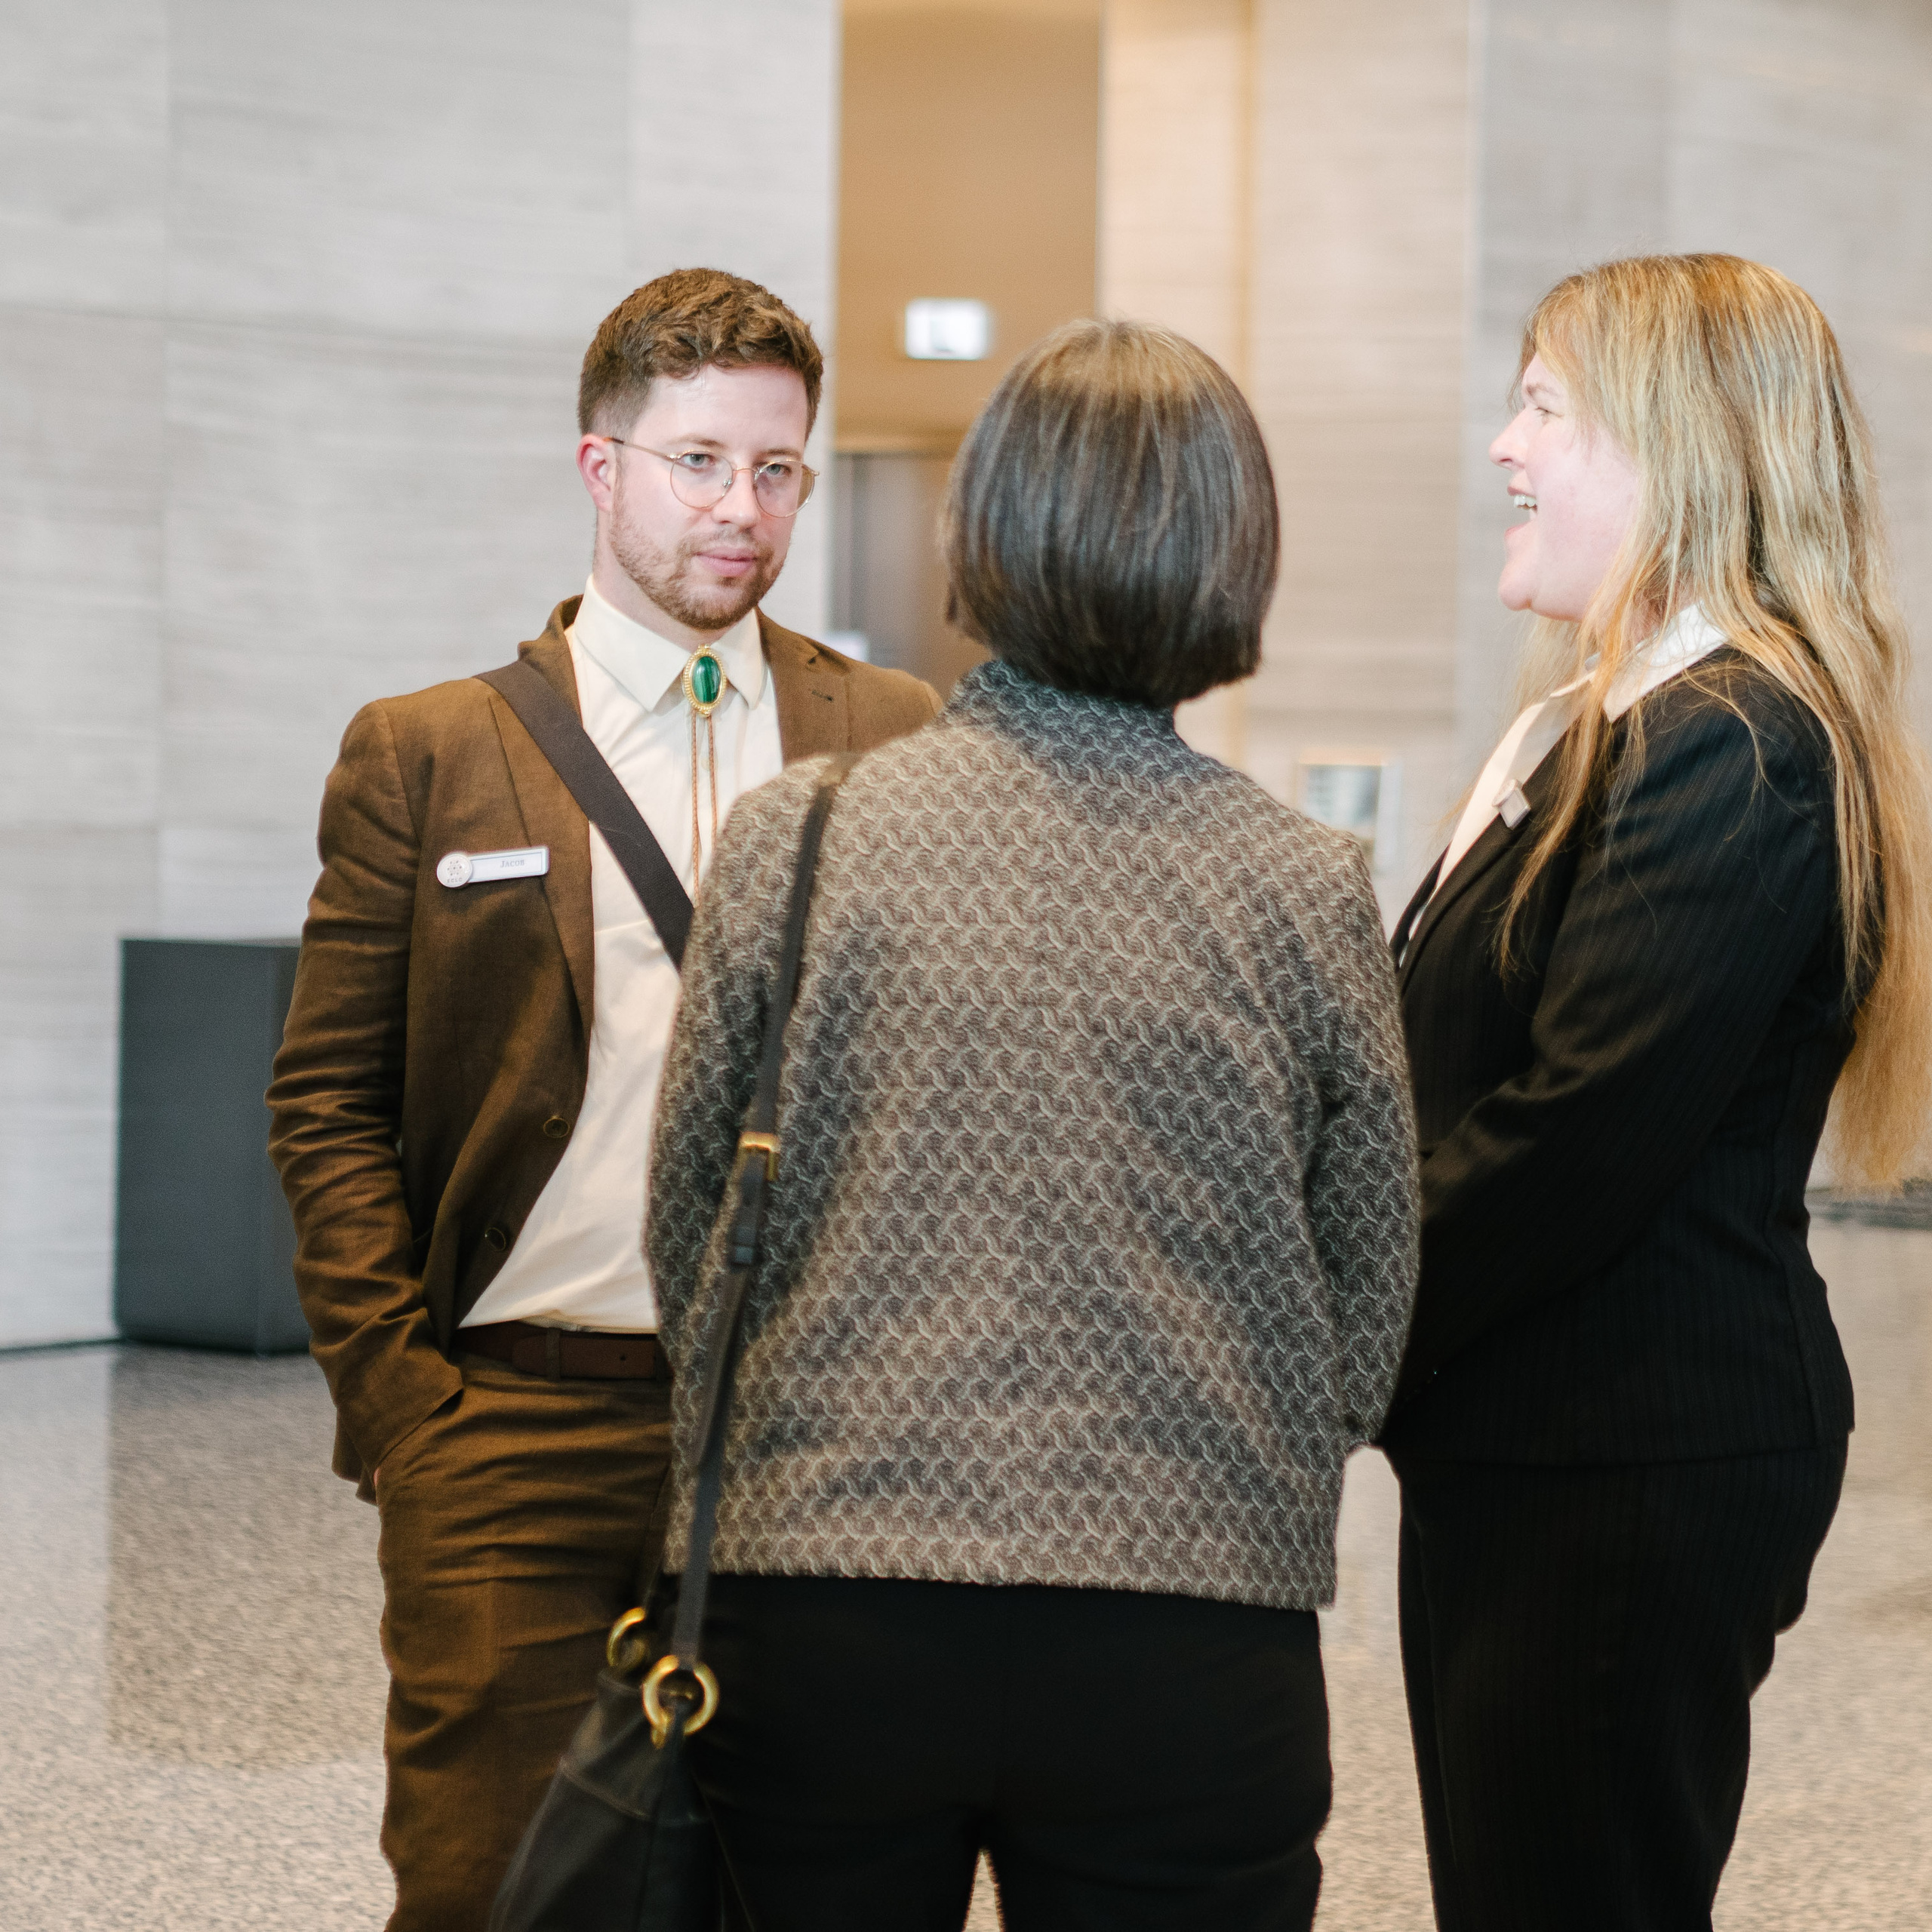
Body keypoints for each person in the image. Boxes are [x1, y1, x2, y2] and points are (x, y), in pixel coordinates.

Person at [645, 318, 1420, 1932]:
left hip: (820, 1596)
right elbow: (1366, 1292)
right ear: (1234, 558)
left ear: (976, 534)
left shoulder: (796, 840)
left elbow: (693, 1232)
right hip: (1193, 1627)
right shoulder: (1302, 887)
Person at [265, 267, 937, 1932]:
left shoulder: (894, 733)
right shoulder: (428, 751)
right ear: (601, 467)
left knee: (794, 1882)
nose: (741, 508)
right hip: (515, 1423)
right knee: (493, 1887)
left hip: (802, 1441)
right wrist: (411, 1418)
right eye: (698, 459)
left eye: (776, 469)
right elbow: (327, 1103)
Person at [1383, 253, 1932, 1932]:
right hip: (1532, 1435)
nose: (1500, 446)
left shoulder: (1735, 737)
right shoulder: (1593, 723)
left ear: (1679, 450)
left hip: (1628, 1455)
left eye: (1542, 405)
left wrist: (1315, 1318)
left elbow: (1566, 1138)